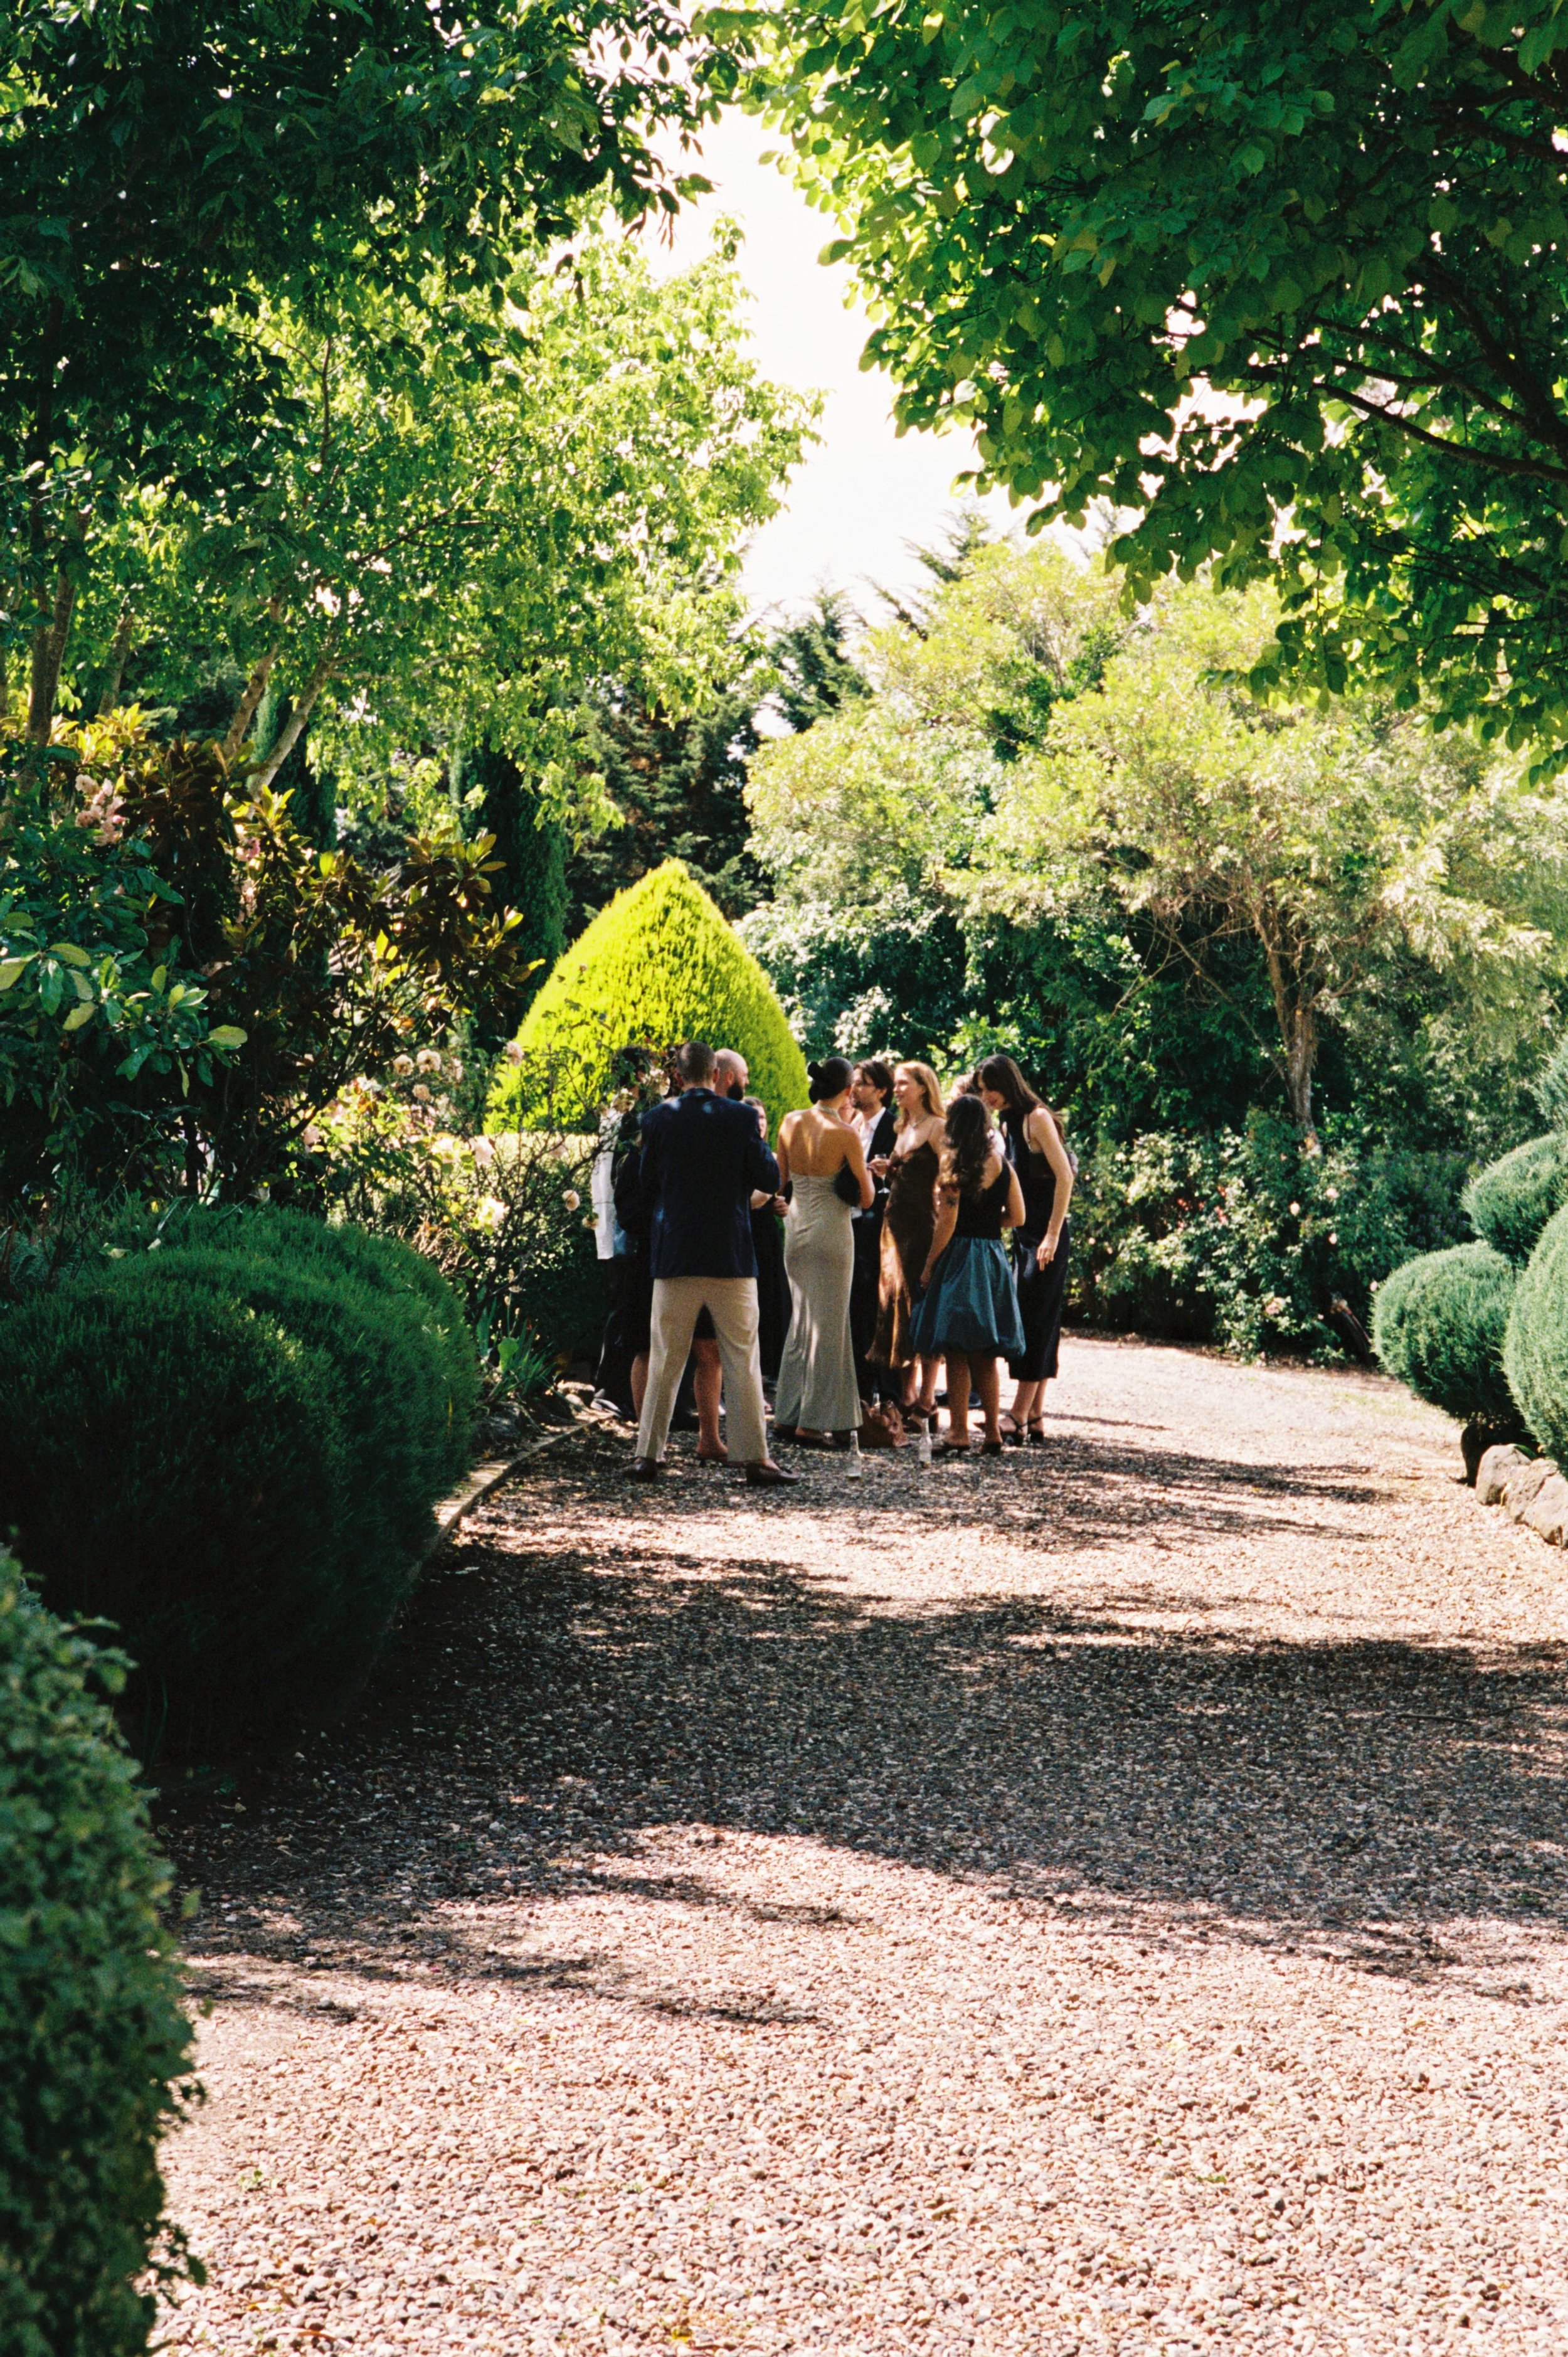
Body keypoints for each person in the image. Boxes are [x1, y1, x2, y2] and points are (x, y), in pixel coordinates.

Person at [630, 1041, 798, 1485]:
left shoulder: (657, 1118)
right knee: (742, 1357)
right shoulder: (742, 1118)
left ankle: (648, 1453)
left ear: (680, 1076)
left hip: (676, 1253)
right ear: (718, 1073)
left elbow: (646, 1187)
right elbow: (768, 1177)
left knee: (667, 1356)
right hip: (730, 1254)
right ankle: (756, 1458)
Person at [911, 1092, 1026, 1452]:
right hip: (991, 1257)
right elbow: (1018, 1217)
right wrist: (990, 1227)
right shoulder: (1002, 1163)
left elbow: (947, 1222)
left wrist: (930, 1265)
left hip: (961, 1257)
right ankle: (992, 1432)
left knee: (958, 1349)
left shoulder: (954, 1165)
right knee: (986, 1352)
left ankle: (959, 1432)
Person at [976, 1053, 1076, 1444]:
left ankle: (1017, 1413)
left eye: (991, 1089)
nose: (987, 1097)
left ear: (1007, 1084)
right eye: (982, 1091)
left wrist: (1052, 1235)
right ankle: (1034, 1415)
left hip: (1046, 1235)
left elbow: (1065, 1177)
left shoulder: (1037, 1118)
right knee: (1035, 1317)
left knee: (1035, 1318)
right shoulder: (1008, 1121)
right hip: (1023, 1236)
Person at [772, 1056, 872, 1446]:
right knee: (829, 1327)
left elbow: (779, 1182)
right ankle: (812, 1423)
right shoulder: (845, 1132)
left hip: (796, 1230)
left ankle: (787, 1414)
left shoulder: (790, 1121)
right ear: (848, 1091)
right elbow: (865, 1197)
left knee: (801, 1323)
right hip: (832, 1231)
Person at [869, 1061, 946, 1413]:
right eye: (896, 1084)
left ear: (923, 1087)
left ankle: (927, 1397)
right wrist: (890, 1171)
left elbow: (947, 1180)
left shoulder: (937, 1126)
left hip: (921, 1226)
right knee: (895, 1305)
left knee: (922, 1306)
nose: (897, 1089)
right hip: (894, 1226)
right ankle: (907, 1394)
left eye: (904, 1083)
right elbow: (902, 1177)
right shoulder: (903, 1126)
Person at [847, 1059, 898, 1407]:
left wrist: (890, 1172)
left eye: (863, 1083)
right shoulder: (850, 1125)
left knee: (881, 1310)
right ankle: (861, 1391)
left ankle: (890, 1394)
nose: (854, 1089)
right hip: (851, 1225)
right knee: (857, 1310)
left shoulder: (894, 1128)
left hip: (882, 1229)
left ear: (881, 1091)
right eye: (853, 1082)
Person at [743, 1095, 792, 1383]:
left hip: (767, 1237)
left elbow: (782, 1200)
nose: (759, 1123)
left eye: (763, 1118)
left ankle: (768, 1368)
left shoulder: (771, 1157)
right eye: (754, 1118)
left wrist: (780, 1206)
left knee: (771, 1300)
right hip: (745, 1234)